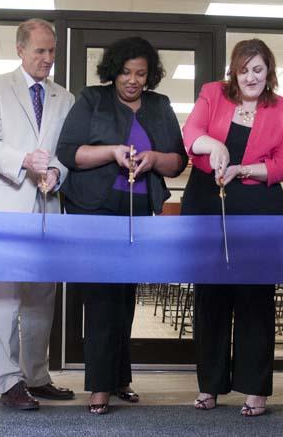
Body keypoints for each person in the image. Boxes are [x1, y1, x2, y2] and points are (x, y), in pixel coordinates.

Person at [57, 36, 187, 415]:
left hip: (136, 212)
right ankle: (99, 386)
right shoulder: (91, 99)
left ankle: (120, 378)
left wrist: (153, 158)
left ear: (150, 76)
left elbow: (177, 161)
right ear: (114, 71)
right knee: (101, 297)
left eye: (141, 74)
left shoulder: (160, 106)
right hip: (92, 211)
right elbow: (70, 153)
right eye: (127, 72)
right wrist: (113, 152)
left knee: (126, 297)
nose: (133, 80)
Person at [181, 39, 283, 416]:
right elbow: (191, 133)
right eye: (244, 69)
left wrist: (243, 169)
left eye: (258, 69)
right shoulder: (212, 93)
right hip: (206, 199)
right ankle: (209, 386)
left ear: (269, 72)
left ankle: (255, 388)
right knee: (210, 295)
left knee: (255, 296)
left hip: (257, 203)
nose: (251, 76)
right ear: (233, 71)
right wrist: (211, 144)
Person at [0, 18, 75, 411]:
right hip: (5, 204)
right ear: (20, 50)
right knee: (3, 296)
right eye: (40, 51)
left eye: (51, 51)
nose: (48, 58)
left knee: (41, 296)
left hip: (47, 207)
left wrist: (54, 171)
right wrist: (25, 162)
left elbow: (65, 152)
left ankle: (36, 375)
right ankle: (9, 381)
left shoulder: (64, 98)